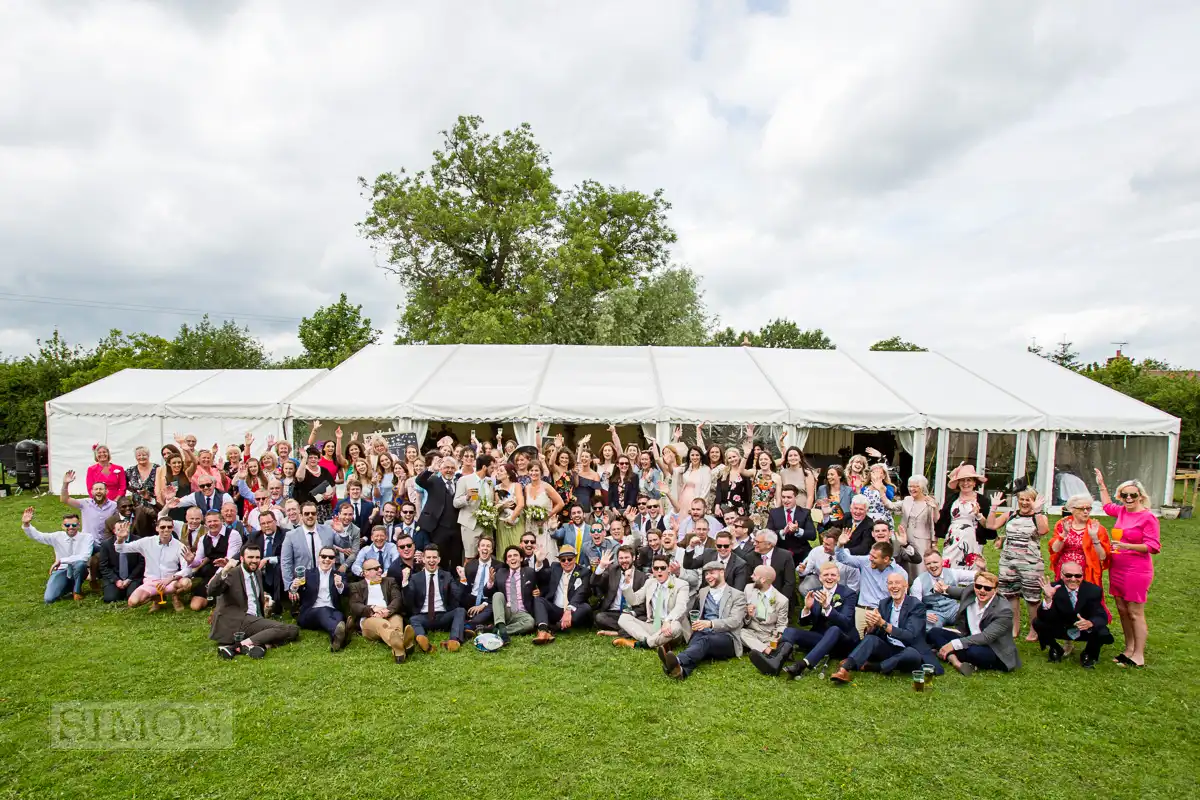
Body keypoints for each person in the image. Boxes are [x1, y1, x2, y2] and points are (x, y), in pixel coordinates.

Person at [1095, 470, 1160, 668]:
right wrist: (1101, 485)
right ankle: (1129, 648)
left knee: (1134, 612)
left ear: (1140, 495)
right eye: (1124, 495)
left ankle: (1139, 655)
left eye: (1132, 495)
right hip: (1118, 567)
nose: (1129, 498)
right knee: (1122, 610)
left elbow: (1153, 546)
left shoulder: (1148, 517)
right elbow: (1107, 507)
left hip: (1137, 569)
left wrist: (1127, 546)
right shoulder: (1122, 511)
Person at [829, 572, 930, 682]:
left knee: (911, 654)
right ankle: (844, 670)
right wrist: (871, 626)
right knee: (870, 639)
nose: (894, 586)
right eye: (890, 583)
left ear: (905, 585)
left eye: (897, 583)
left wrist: (883, 623)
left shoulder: (916, 605)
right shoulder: (884, 603)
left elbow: (910, 636)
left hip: (909, 648)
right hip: (889, 646)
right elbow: (876, 633)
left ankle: (874, 667)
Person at [766, 562, 860, 678]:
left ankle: (803, 664)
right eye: (826, 575)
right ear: (820, 577)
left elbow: (846, 623)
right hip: (820, 638)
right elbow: (804, 623)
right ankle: (776, 661)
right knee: (789, 631)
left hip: (843, 641)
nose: (829, 578)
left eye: (833, 575)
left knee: (834, 629)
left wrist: (827, 607)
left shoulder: (848, 594)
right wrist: (807, 609)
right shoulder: (815, 592)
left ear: (838, 577)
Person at [657, 561, 747, 681]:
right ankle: (681, 671)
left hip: (727, 637)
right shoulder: (703, 591)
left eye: (712, 573)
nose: (708, 577)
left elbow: (735, 621)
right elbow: (697, 612)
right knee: (696, 644)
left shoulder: (737, 595)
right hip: (704, 631)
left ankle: (677, 660)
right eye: (706, 574)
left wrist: (710, 624)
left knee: (705, 641)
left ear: (722, 572)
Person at [208, 544, 300, 660]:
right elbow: (212, 591)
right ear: (242, 559)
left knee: (293, 630)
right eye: (250, 557)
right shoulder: (232, 573)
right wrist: (225, 569)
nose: (254, 561)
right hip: (236, 621)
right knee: (284, 629)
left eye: (257, 557)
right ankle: (235, 646)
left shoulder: (257, 573)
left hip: (253, 619)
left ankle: (252, 645)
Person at [928, 571, 1021, 676]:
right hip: (970, 639)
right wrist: (942, 588)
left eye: (987, 588)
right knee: (934, 632)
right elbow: (951, 591)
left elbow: (986, 637)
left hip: (993, 648)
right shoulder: (970, 592)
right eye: (978, 586)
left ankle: (944, 651)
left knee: (974, 653)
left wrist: (953, 644)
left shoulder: (1004, 610)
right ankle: (956, 662)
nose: (982, 590)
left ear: (995, 590)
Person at [986, 488, 1049, 640]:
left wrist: (1038, 511)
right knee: (1010, 595)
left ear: (1034, 501)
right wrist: (993, 508)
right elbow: (991, 525)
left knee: (1032, 598)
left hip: (1030, 564)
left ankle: (1034, 630)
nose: (1024, 503)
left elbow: (1043, 530)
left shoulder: (1039, 516)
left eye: (1028, 500)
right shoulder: (1011, 514)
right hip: (1008, 562)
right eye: (1022, 499)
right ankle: (1014, 628)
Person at [1033, 564, 1113, 669]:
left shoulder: (1093, 590)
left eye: (1077, 576)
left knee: (1102, 631)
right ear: (1061, 575)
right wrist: (1048, 599)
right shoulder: (1053, 589)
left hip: (1083, 629)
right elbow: (1043, 617)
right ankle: (1055, 648)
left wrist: (1090, 623)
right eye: (1069, 575)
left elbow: (1101, 615)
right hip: (1061, 627)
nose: (1073, 579)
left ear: (1083, 576)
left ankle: (1089, 654)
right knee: (1038, 623)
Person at [114, 518, 194, 612]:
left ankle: (175, 597)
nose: (166, 529)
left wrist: (171, 578)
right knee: (133, 602)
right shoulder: (146, 542)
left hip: (171, 582)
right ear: (157, 528)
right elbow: (121, 549)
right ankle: (156, 599)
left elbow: (187, 570)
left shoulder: (179, 546)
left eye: (169, 527)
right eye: (162, 527)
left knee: (186, 583)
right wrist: (120, 539)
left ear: (173, 528)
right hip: (151, 582)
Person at [613, 553, 690, 649]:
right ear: (653, 570)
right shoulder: (650, 582)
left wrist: (668, 621)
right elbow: (634, 600)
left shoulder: (681, 584)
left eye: (663, 568)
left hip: (671, 626)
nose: (659, 571)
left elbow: (681, 606)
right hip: (654, 626)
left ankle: (639, 644)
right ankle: (656, 643)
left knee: (676, 626)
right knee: (623, 618)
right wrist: (627, 583)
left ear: (669, 569)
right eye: (656, 568)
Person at [835, 536, 909, 636]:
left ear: (886, 559)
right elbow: (843, 559)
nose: (870, 559)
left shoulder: (900, 573)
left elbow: (902, 598)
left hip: (885, 613)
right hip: (863, 610)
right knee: (859, 644)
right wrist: (840, 545)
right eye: (870, 555)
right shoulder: (865, 561)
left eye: (874, 557)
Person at [59, 470, 117, 594]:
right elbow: (64, 499)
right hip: (90, 542)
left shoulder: (113, 505)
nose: (98, 491)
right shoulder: (85, 503)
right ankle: (93, 579)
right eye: (96, 489)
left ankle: (101, 575)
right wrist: (65, 484)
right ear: (91, 492)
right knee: (97, 557)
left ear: (107, 491)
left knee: (104, 555)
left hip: (107, 541)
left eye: (101, 489)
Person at [348, 557, 414, 663]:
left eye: (380, 567)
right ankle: (405, 643)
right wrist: (372, 608)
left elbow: (397, 599)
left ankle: (399, 651)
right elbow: (355, 605)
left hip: (390, 613)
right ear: (366, 573)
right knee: (383, 625)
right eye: (376, 568)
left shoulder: (390, 581)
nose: (380, 570)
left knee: (397, 620)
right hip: (369, 618)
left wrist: (387, 611)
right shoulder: (356, 586)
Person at [403, 544, 468, 653]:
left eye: (434, 557)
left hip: (443, 615)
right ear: (423, 559)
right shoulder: (415, 578)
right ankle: (423, 641)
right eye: (428, 557)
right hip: (424, 616)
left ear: (439, 560)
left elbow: (458, 595)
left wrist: (462, 578)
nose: (431, 560)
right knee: (413, 619)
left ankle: (453, 640)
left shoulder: (446, 576)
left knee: (460, 611)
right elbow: (408, 601)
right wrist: (405, 582)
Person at [20, 507, 93, 603]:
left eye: (74, 524)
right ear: (63, 526)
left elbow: (85, 556)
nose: (71, 527)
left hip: (78, 569)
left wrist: (61, 560)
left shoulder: (87, 537)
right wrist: (26, 524)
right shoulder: (57, 536)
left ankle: (77, 591)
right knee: (49, 599)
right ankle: (68, 586)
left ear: (79, 525)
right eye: (67, 524)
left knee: (80, 564)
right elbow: (38, 536)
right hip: (62, 569)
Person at [936, 463, 993, 569]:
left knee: (972, 567)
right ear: (958, 483)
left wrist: (978, 515)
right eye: (962, 480)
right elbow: (942, 519)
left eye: (969, 480)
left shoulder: (983, 501)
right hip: (953, 538)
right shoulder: (952, 498)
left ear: (975, 483)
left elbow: (988, 525)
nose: (965, 483)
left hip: (973, 539)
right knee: (948, 567)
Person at [291, 546, 349, 652]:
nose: (327, 559)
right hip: (310, 612)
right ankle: (341, 633)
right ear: (318, 558)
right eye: (324, 556)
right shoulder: (307, 574)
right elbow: (294, 593)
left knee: (339, 617)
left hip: (333, 609)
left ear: (334, 560)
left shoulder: (339, 575)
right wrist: (294, 587)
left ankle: (336, 640)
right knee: (324, 611)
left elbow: (346, 592)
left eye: (330, 557)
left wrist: (339, 585)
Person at [532, 545, 592, 644]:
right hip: (556, 609)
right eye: (563, 560)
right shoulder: (555, 567)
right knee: (539, 600)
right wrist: (539, 562)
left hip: (574, 610)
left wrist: (568, 610)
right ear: (559, 561)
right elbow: (542, 577)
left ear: (575, 558)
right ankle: (543, 630)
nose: (566, 562)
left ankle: (554, 628)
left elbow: (582, 592)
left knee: (586, 608)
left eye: (569, 559)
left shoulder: (584, 572)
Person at [1049, 494, 1111, 586]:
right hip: (1066, 570)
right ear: (1071, 509)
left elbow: (1102, 557)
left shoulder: (1097, 528)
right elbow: (1055, 549)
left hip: (1087, 571)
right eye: (1081, 509)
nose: (1086, 512)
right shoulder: (1062, 524)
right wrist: (1064, 534)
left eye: (1088, 508)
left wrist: (1094, 538)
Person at [910, 551, 977, 629]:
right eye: (928, 564)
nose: (932, 566)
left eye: (935, 562)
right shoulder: (919, 581)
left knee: (972, 614)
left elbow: (977, 576)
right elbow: (915, 604)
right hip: (933, 612)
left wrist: (982, 568)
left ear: (942, 561)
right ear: (925, 565)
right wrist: (923, 613)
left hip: (953, 609)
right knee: (930, 628)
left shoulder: (953, 573)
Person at [280, 502, 336, 595]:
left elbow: (344, 544)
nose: (310, 516)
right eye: (307, 513)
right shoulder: (291, 535)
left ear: (317, 515)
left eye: (313, 513)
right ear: (301, 515)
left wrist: (341, 532)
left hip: (326, 579)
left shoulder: (328, 530)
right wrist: (290, 586)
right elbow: (286, 562)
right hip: (304, 582)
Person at [491, 545, 543, 643]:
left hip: (522, 612)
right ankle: (501, 625)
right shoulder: (501, 572)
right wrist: (490, 582)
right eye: (509, 556)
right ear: (506, 561)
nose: (513, 558)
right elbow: (489, 593)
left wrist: (539, 562)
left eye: (515, 555)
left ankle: (500, 631)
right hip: (505, 611)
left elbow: (543, 580)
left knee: (530, 623)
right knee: (497, 595)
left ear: (521, 558)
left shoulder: (529, 572)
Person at [593, 545, 647, 635]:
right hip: (614, 612)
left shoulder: (642, 577)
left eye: (626, 557)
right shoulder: (612, 570)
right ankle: (629, 630)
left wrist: (632, 613)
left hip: (631, 613)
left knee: (644, 620)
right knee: (599, 617)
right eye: (621, 558)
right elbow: (594, 582)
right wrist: (601, 567)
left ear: (633, 558)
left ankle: (617, 632)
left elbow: (643, 604)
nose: (624, 560)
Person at [739, 565, 789, 654]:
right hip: (751, 631)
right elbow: (744, 619)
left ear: (763, 580)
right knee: (740, 633)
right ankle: (767, 650)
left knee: (782, 643)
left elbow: (781, 625)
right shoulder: (749, 589)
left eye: (754, 575)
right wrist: (748, 614)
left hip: (768, 635)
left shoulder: (781, 600)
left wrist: (776, 639)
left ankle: (762, 647)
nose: (751, 576)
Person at [898, 475, 940, 579]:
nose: (912, 489)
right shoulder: (907, 500)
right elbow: (890, 505)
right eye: (910, 486)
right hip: (906, 537)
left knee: (921, 566)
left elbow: (936, 521)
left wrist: (934, 542)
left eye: (915, 486)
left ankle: (922, 587)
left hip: (923, 540)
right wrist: (881, 491)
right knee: (906, 564)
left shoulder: (930, 501)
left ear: (922, 487)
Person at [243, 512, 285, 614]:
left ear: (275, 522)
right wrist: (231, 560)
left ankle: (276, 604)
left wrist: (268, 559)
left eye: (269, 522)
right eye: (263, 523)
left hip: (279, 574)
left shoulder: (286, 534)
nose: (266, 526)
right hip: (260, 570)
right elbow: (243, 550)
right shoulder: (255, 536)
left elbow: (289, 557)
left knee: (277, 568)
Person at [454, 453, 493, 561]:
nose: (493, 470)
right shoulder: (464, 480)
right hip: (470, 524)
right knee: (470, 557)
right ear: (484, 467)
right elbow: (456, 503)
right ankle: (465, 578)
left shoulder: (489, 482)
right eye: (491, 468)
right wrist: (467, 497)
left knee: (486, 556)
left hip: (486, 525)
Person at [798, 530, 859, 595]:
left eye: (827, 544)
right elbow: (805, 569)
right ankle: (815, 603)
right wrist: (802, 570)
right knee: (804, 587)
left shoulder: (849, 560)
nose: (823, 546)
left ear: (837, 545)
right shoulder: (817, 551)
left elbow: (853, 586)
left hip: (840, 588)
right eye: (823, 542)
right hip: (820, 581)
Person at [523, 462, 564, 562]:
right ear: (528, 472)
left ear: (541, 472)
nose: (534, 473)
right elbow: (525, 507)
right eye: (531, 470)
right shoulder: (527, 488)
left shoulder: (546, 487)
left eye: (536, 470)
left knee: (545, 552)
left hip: (544, 525)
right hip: (530, 525)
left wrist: (547, 516)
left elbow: (560, 503)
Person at [683, 530, 748, 591]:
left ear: (731, 545)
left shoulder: (740, 564)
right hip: (706, 596)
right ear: (715, 545)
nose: (722, 549)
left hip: (727, 599)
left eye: (726, 546)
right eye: (719, 546)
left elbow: (738, 590)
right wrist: (691, 547)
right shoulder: (708, 554)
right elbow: (688, 565)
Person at [459, 536, 501, 632]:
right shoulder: (470, 565)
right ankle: (479, 624)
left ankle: (468, 625)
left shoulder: (499, 566)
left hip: (487, 600)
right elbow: (465, 589)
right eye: (482, 545)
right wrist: (462, 579)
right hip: (471, 598)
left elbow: (499, 590)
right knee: (459, 605)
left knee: (491, 609)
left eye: (488, 546)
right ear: (478, 548)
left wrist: (483, 605)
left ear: (491, 550)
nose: (485, 548)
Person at [744, 530, 796, 604]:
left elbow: (789, 582)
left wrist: (779, 601)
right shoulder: (750, 557)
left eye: (758, 542)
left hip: (780, 596)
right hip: (757, 598)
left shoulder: (785, 556)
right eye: (754, 541)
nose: (754, 544)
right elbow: (748, 581)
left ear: (769, 545)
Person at [766, 485, 817, 561]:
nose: (785, 501)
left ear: (796, 498)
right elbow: (768, 533)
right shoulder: (774, 513)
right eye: (783, 497)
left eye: (789, 497)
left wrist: (798, 530)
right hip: (780, 552)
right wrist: (782, 532)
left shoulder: (805, 513)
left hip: (801, 552)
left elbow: (812, 535)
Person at [294, 446, 337, 523]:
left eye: (315, 457)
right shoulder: (303, 470)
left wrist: (331, 495)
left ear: (318, 459)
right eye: (310, 457)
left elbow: (333, 485)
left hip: (325, 508)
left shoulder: (324, 470)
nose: (313, 459)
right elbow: (299, 477)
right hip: (309, 509)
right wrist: (304, 458)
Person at [493, 463, 526, 555]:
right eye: (498, 470)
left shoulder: (516, 485)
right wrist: (503, 506)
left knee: (517, 547)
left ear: (508, 474)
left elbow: (521, 504)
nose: (498, 472)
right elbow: (496, 507)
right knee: (503, 549)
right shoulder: (496, 488)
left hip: (516, 520)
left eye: (501, 470)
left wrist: (512, 519)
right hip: (502, 522)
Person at [860, 463, 899, 529]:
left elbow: (890, 497)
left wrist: (881, 488)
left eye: (880, 472)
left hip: (884, 520)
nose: (877, 475)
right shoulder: (864, 489)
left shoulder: (889, 487)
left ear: (884, 476)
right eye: (874, 472)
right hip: (868, 519)